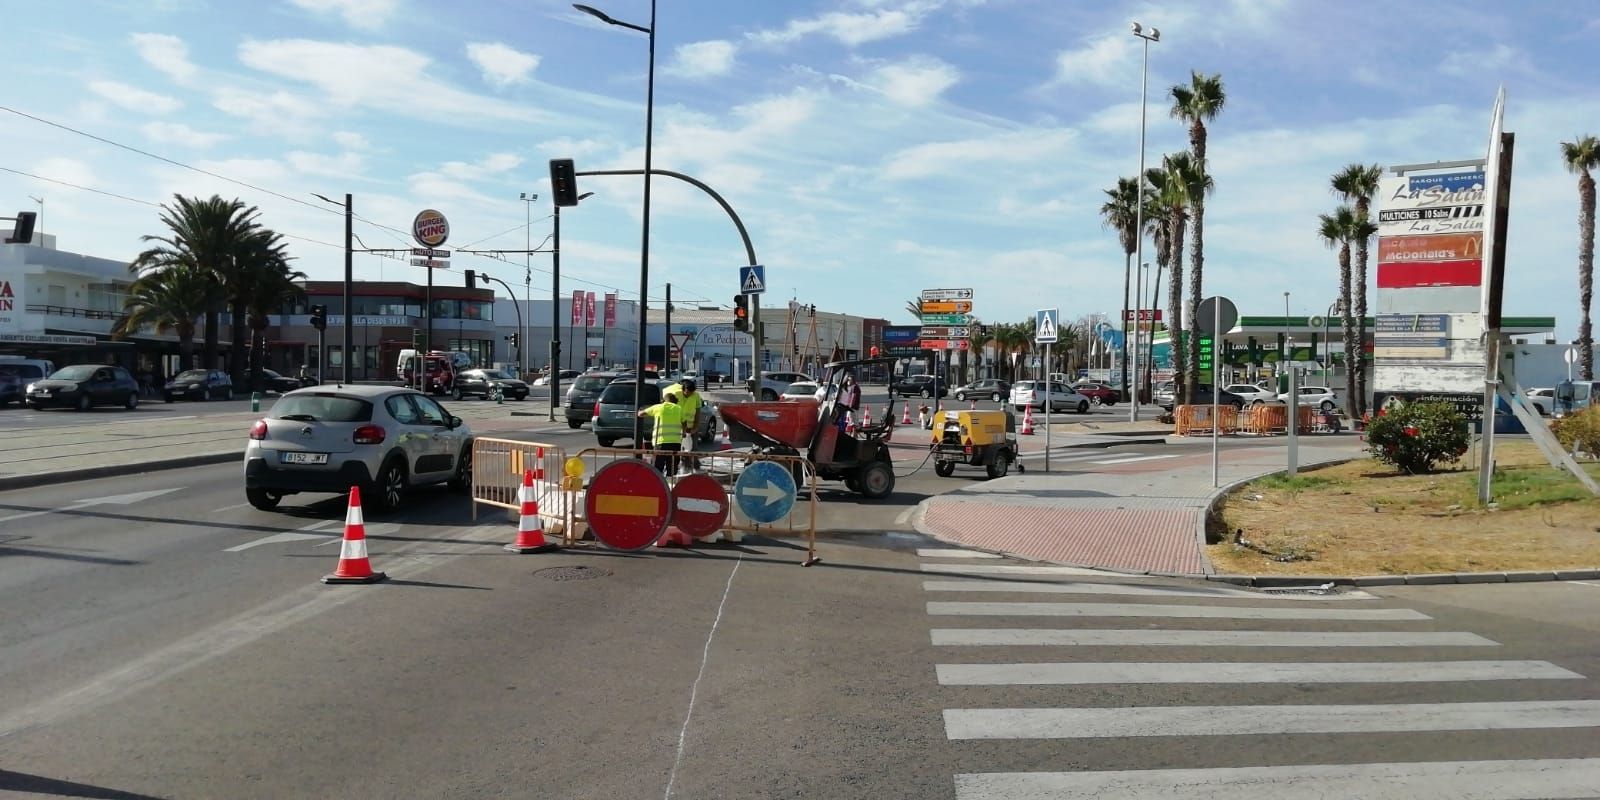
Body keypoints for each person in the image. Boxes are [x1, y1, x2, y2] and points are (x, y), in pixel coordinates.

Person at [637, 393, 688, 475]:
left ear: (664, 400)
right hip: (675, 443)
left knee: (658, 468)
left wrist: (639, 410)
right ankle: (670, 485)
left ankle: (658, 486)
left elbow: (641, 414)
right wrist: (684, 432)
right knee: (672, 468)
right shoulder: (679, 408)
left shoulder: (658, 407)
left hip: (661, 442)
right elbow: (684, 422)